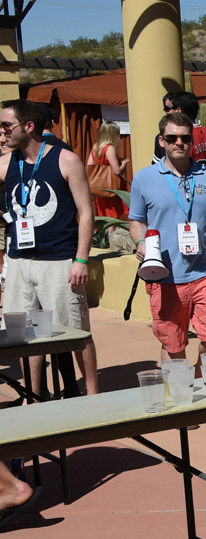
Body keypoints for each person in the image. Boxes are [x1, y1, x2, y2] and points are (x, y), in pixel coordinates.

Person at [0, 99, 100, 396]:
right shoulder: (6, 163)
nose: (2, 131)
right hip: (19, 262)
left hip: (58, 262)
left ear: (29, 126)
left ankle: (93, 396)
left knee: (76, 331)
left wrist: (81, 259)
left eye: (6, 125)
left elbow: (86, 213)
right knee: (22, 335)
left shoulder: (65, 160)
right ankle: (34, 396)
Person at [129, 111, 206, 364]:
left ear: (192, 140)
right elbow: (136, 221)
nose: (179, 143)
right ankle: (179, 388)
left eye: (185, 138)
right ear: (162, 141)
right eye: (172, 138)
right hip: (165, 274)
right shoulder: (144, 179)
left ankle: (200, 378)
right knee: (173, 344)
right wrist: (140, 242)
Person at [87, 121, 129, 219]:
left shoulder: (95, 146)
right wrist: (124, 163)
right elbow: (117, 171)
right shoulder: (110, 148)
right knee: (113, 217)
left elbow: (90, 165)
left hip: (100, 188)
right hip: (111, 188)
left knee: (106, 217)